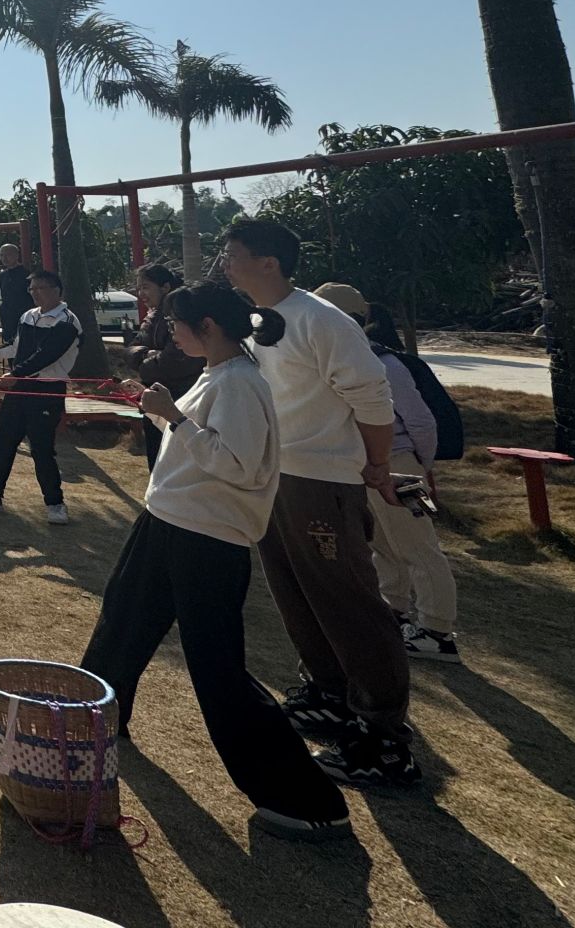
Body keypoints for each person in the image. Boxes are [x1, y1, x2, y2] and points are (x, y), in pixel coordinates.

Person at [79, 283, 353, 844]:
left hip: (206, 540)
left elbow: (238, 466)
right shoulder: (218, 374)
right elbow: (196, 445)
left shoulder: (241, 383)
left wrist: (174, 419)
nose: (168, 331)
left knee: (217, 669)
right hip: (168, 521)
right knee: (123, 624)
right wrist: (161, 413)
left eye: (175, 322)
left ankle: (306, 801)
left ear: (207, 326)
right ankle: (95, 722)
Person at [220, 220, 417, 787]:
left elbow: (372, 397)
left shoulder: (321, 320)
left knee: (347, 598)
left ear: (269, 263)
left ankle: (383, 734)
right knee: (295, 591)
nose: (225, 264)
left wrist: (376, 465)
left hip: (323, 479)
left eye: (233, 255)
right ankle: (330, 693)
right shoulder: (258, 321)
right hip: (275, 474)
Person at [313, 284, 462, 666]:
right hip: (361, 467)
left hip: (398, 463)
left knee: (419, 546)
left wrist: (419, 466)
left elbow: (422, 422)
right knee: (382, 543)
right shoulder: (332, 363)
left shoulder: (385, 364)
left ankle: (438, 632)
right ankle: (393, 611)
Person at [0, 268, 80, 523]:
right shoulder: (28, 316)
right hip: (19, 389)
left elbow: (47, 356)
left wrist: (17, 373)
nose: (34, 293)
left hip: (47, 390)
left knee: (41, 448)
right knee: (4, 440)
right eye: (32, 289)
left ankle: (55, 504)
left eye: (40, 288)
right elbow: (16, 346)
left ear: (57, 291)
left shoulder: (67, 322)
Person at [129, 263, 202, 474]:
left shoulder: (181, 314)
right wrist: (147, 355)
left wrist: (145, 360)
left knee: (175, 462)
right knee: (157, 461)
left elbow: (173, 361)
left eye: (146, 287)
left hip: (180, 397)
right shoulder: (153, 315)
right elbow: (130, 350)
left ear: (165, 287)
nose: (141, 294)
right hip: (154, 397)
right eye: (139, 288)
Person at [0, 243, 33, 347]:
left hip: (23, 315)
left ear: (16, 255)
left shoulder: (26, 275)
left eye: (8, 255)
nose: (4, 258)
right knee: (9, 346)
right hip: (8, 317)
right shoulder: (2, 276)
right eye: (2, 255)